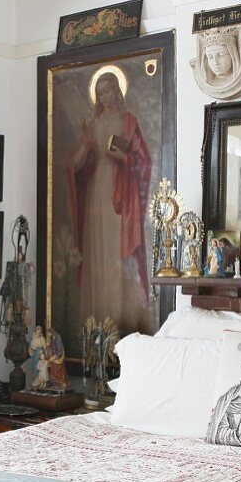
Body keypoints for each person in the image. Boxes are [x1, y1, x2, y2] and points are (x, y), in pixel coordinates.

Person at [66, 71, 152, 332]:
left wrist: (124, 159)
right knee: (98, 250)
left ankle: (118, 317)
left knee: (116, 250)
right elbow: (76, 162)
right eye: (100, 92)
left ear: (118, 92)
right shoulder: (92, 123)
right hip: (97, 191)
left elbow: (144, 160)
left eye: (109, 90)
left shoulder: (128, 122)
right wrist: (83, 152)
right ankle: (97, 322)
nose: (105, 97)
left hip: (120, 192)